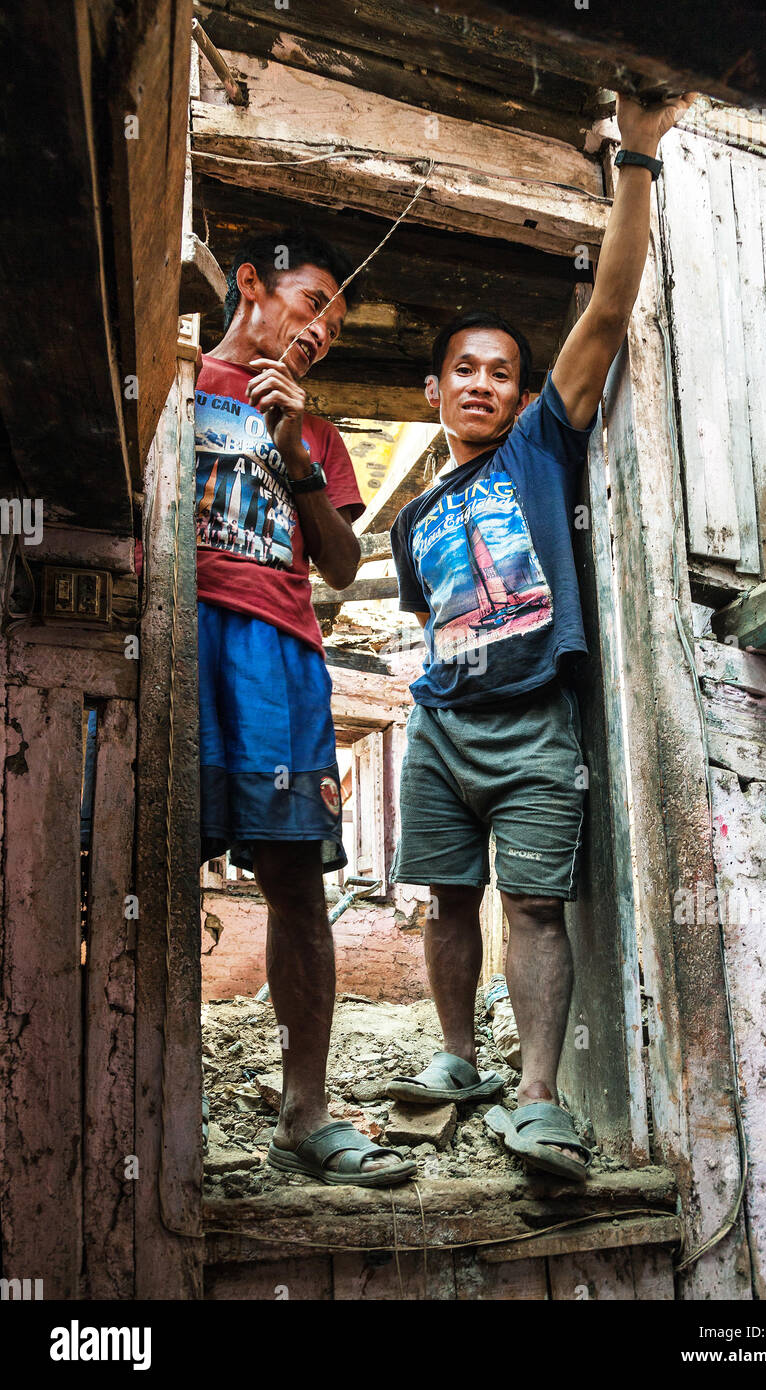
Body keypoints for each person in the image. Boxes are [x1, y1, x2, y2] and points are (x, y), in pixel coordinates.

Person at [387, 93, 696, 1186]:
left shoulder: (533, 447)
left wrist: (637, 156)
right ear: (432, 391)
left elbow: (607, 311)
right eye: (461, 370)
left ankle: (536, 1098)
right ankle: (459, 1060)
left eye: (498, 372)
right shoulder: (412, 516)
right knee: (443, 897)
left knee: (532, 902)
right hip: (439, 724)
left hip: (531, 722)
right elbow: (427, 613)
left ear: (520, 392)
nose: (480, 384)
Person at [195, 227, 417, 1187]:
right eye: (313, 300)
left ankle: (306, 1111)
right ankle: (150, 1100)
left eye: (337, 317)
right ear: (252, 285)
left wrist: (293, 455)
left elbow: (337, 566)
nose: (323, 328)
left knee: (295, 879)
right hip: (180, 629)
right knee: (152, 858)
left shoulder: (318, 433)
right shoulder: (175, 380)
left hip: (281, 652)